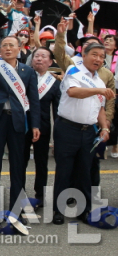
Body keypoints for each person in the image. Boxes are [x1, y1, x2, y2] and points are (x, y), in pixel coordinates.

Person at [0, 35, 40, 223]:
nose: (7, 48)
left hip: (17, 121)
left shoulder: (27, 71)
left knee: (18, 165)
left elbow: (34, 99)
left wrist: (35, 124)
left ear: (19, 48)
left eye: (11, 45)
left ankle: (17, 209)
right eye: (4, 45)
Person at [52, 43, 113, 225]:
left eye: (102, 57)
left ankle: (84, 210)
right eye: (94, 55)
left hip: (88, 132)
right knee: (64, 171)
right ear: (84, 55)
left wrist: (104, 127)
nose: (98, 59)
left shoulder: (99, 81)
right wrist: (98, 90)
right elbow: (73, 92)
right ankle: (58, 209)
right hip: (67, 129)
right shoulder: (74, 72)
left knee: (84, 172)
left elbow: (100, 108)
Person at [23, 47, 60, 207]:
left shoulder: (55, 82)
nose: (38, 59)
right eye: (36, 56)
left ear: (50, 62)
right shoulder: (23, 76)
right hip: (23, 124)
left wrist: (58, 136)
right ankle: (19, 192)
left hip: (43, 127)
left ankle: (41, 194)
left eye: (43, 56)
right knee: (20, 161)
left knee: (41, 161)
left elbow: (57, 111)